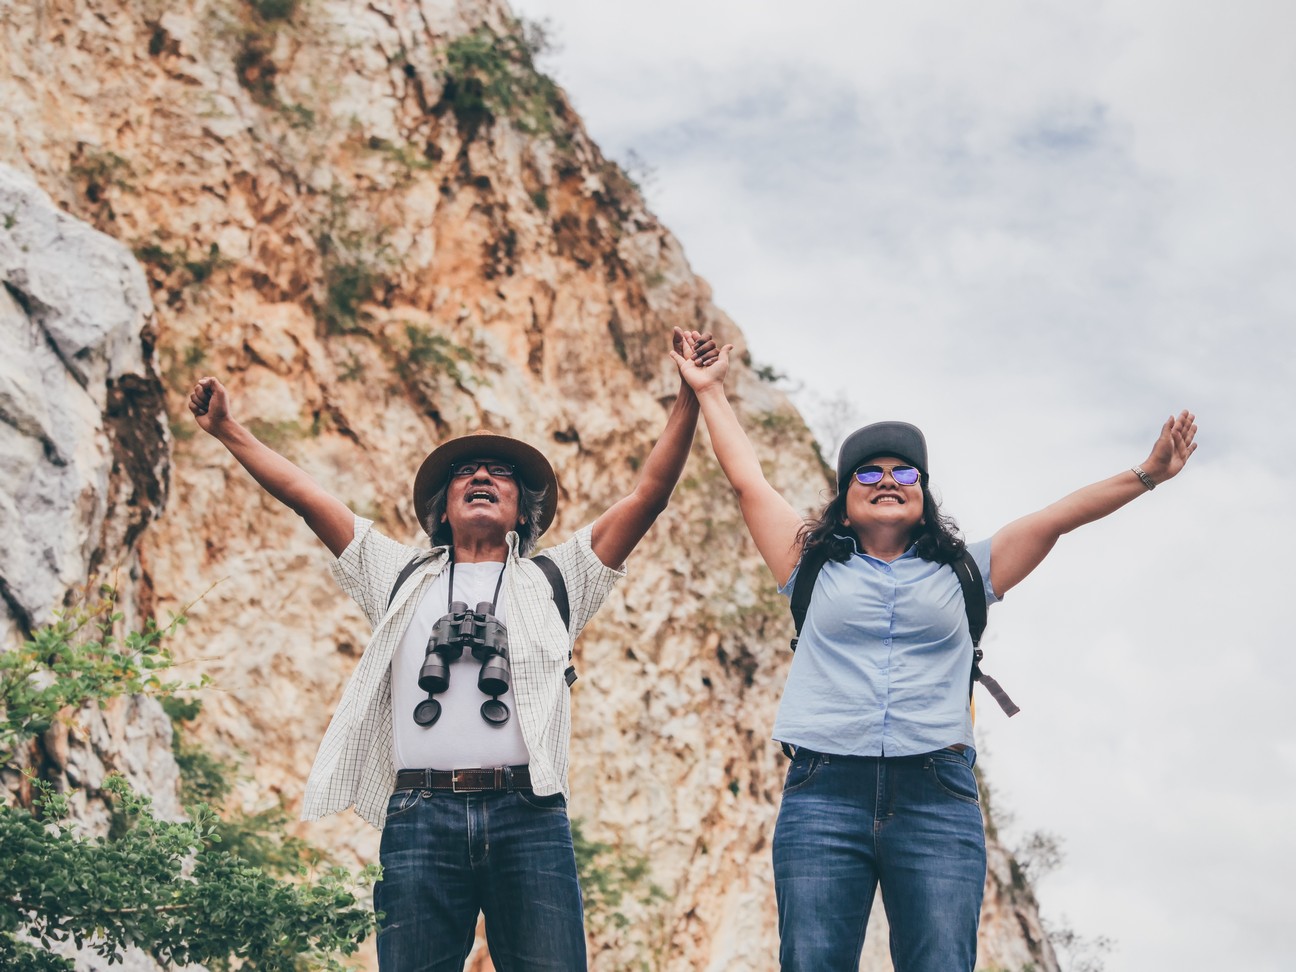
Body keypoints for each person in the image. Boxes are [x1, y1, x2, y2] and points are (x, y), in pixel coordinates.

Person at [188, 327, 718, 972]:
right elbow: (309, 499)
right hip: (419, 815)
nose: (482, 477)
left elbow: (647, 496)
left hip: (531, 815)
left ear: (525, 512)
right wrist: (228, 429)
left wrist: (690, 397)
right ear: (441, 511)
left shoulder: (557, 578)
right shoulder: (399, 576)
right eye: (466, 473)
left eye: (501, 475)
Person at [668, 336, 1197, 972]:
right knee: (810, 962)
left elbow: (1058, 517)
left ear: (923, 493)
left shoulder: (969, 571)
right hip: (824, 790)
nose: (888, 480)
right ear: (845, 496)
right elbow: (747, 479)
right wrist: (711, 392)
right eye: (868, 472)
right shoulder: (807, 563)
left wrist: (1147, 475)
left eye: (904, 472)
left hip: (936, 797)